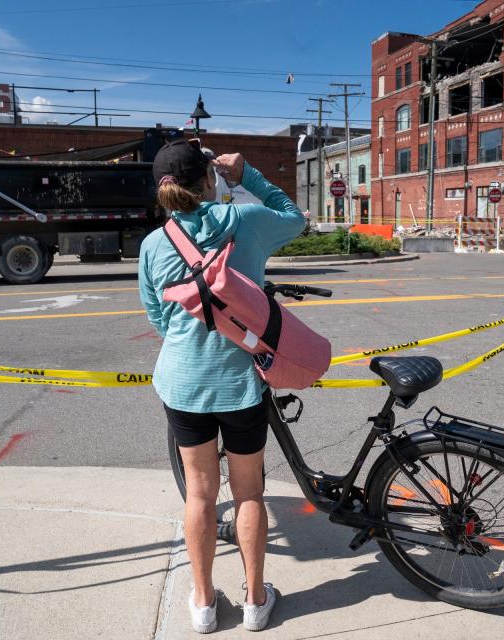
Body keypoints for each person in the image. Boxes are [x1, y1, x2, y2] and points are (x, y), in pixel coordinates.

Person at [138, 138, 306, 633]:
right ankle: (257, 603)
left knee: (201, 496)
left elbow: (157, 316)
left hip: (183, 384)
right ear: (209, 178)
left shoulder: (153, 244)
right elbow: (293, 216)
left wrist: (193, 345)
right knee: (249, 491)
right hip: (239, 383)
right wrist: (247, 174)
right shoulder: (243, 223)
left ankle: (205, 604)